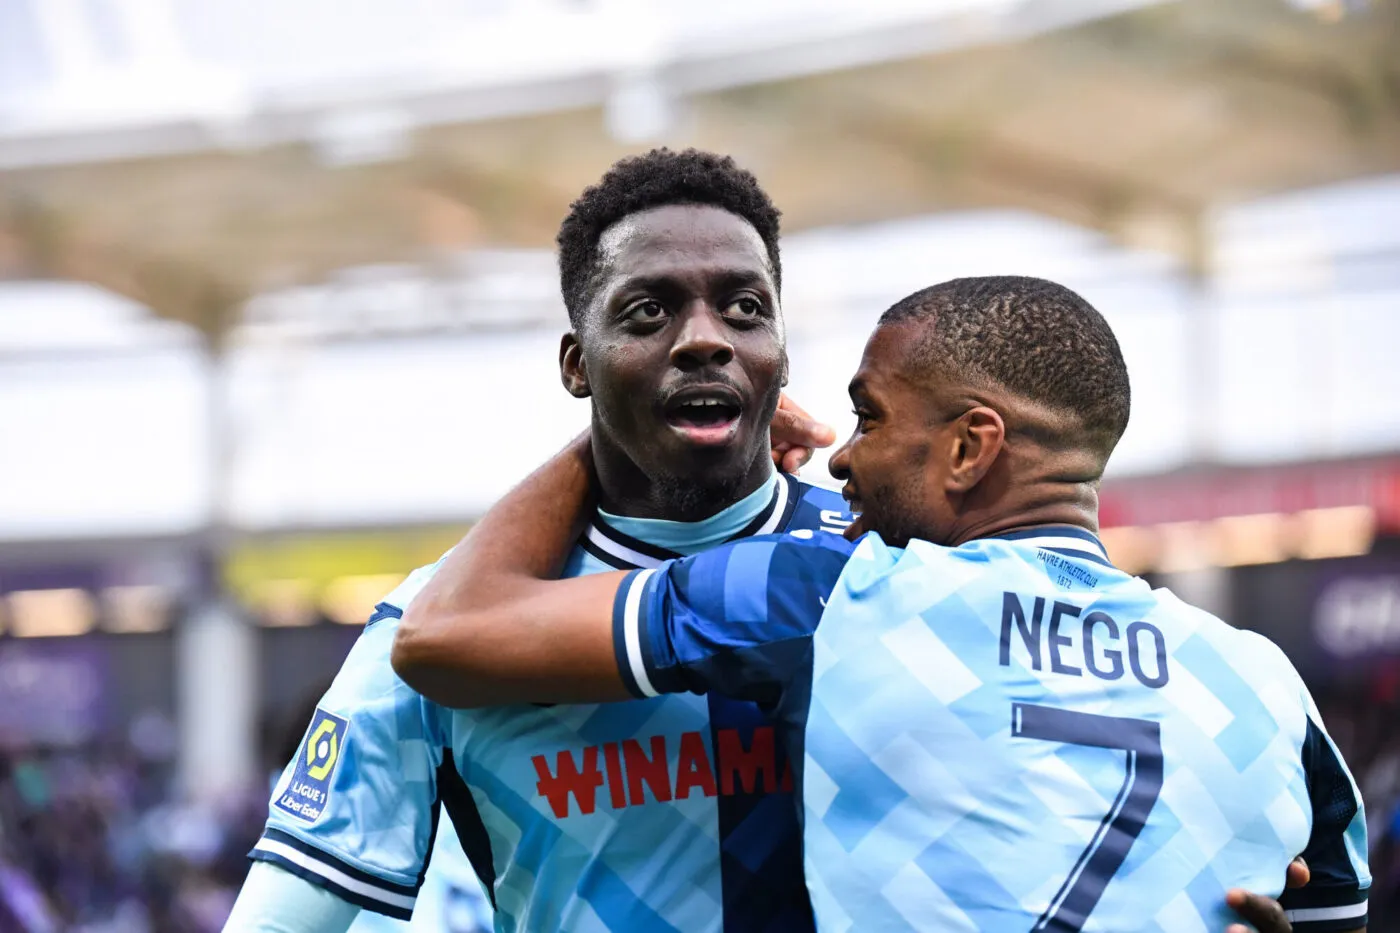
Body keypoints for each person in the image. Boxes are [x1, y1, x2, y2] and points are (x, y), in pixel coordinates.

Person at [390, 276, 1368, 933]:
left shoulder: (828, 596)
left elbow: (448, 633)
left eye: (867, 415)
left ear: (967, 447)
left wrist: (618, 421)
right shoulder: (1260, 682)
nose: (842, 455)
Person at [225, 147, 852, 933]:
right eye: (648, 311)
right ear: (575, 364)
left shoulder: (892, 567)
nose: (705, 338)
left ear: (782, 355)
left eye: (745, 308)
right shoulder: (430, 627)